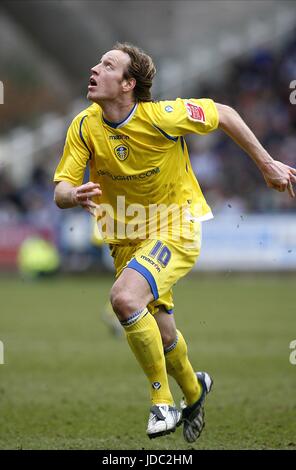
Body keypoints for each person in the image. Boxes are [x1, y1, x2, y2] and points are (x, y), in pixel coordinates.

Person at [53, 43, 296, 443]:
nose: (95, 68)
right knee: (163, 335)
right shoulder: (84, 125)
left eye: (108, 65)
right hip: (126, 240)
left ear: (128, 84)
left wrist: (266, 164)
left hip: (175, 228)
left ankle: (161, 402)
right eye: (97, 62)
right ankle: (195, 390)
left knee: (124, 300)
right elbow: (62, 186)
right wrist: (71, 195)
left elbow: (225, 114)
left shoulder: (163, 116)